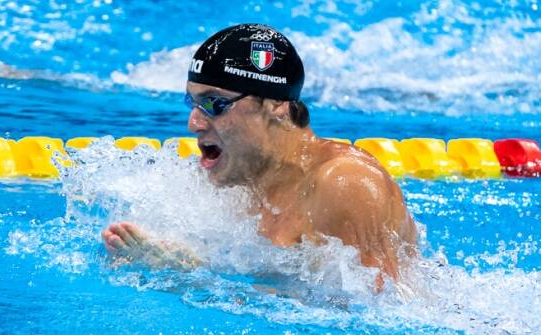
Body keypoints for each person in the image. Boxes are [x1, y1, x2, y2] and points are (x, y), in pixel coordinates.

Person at [102, 24, 417, 287]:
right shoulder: (237, 174)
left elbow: (377, 316)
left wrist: (192, 276)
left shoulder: (346, 185)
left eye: (214, 103)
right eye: (193, 102)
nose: (194, 122)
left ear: (276, 104)